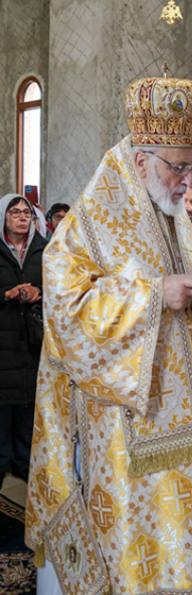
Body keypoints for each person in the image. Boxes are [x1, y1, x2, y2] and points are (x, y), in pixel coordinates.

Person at [25, 76, 192, 595]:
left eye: (191, 167)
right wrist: (152, 295)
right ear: (142, 158)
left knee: (180, 551)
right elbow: (65, 308)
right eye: (176, 166)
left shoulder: (182, 228)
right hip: (122, 430)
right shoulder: (92, 222)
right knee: (132, 559)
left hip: (185, 426)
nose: (186, 181)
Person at [0, 194, 45, 484]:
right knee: (3, 409)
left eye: (26, 212)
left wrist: (40, 293)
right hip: (3, 342)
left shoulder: (44, 249)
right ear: (4, 217)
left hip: (32, 340)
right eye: (14, 212)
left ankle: (25, 464)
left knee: (29, 406)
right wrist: (7, 294)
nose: (21, 217)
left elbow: (62, 286)